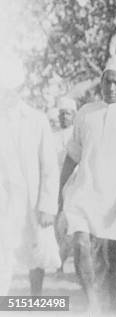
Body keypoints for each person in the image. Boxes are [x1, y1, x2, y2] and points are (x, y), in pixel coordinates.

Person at [59, 54, 116, 311]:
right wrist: (59, 189)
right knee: (80, 243)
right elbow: (72, 155)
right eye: (107, 82)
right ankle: (92, 303)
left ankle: (112, 306)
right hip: (84, 191)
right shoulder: (86, 113)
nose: (111, 88)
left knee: (114, 258)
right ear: (101, 82)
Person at [0, 53, 60, 296]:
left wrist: (47, 205)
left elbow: (49, 167)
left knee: (37, 251)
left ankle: (36, 301)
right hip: (5, 198)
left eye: (9, 90)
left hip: (32, 198)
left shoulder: (37, 120)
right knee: (3, 251)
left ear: (20, 89)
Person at [53, 96, 78, 272]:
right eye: (61, 114)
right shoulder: (52, 136)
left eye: (67, 114)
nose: (64, 117)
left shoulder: (77, 135)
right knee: (57, 224)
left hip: (75, 183)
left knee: (71, 222)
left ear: (74, 115)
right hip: (55, 182)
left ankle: (63, 260)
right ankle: (58, 262)